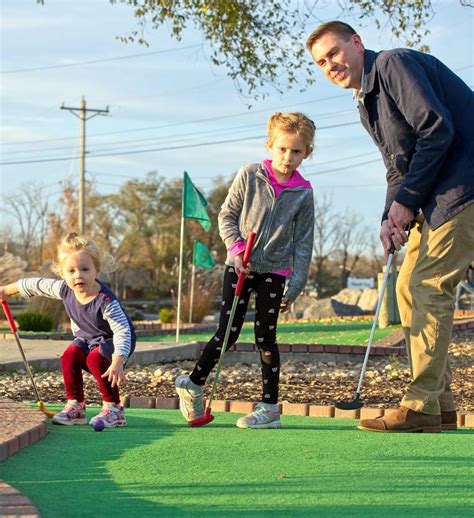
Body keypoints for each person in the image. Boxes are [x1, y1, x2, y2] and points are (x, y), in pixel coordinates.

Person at [306, 22, 474, 432]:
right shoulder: (365, 101)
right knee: (405, 288)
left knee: (429, 287)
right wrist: (390, 217)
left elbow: (437, 129)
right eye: (321, 62)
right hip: (435, 196)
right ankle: (440, 404)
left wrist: (406, 203)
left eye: (335, 52)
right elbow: (396, 166)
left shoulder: (393, 65)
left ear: (357, 43)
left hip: (463, 186)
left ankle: (420, 404)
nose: (330, 65)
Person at [176, 112, 315, 429]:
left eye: (296, 151)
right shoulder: (250, 175)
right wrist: (236, 250)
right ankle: (194, 386)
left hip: (276, 271)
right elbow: (226, 216)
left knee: (266, 336)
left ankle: (269, 408)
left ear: (307, 152)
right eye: (282, 149)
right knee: (227, 332)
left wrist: (295, 286)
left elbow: (304, 243)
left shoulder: (303, 193)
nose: (287, 157)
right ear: (271, 146)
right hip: (240, 265)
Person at [0, 232, 136, 428]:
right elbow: (35, 284)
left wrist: (118, 360)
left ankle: (114, 409)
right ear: (62, 274)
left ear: (96, 270)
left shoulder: (106, 301)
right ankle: (76, 407)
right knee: (70, 355)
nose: (78, 275)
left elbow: (123, 331)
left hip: (114, 340)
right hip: (87, 338)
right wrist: (6, 290)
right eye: (71, 271)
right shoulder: (64, 289)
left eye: (85, 269)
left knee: (95, 358)